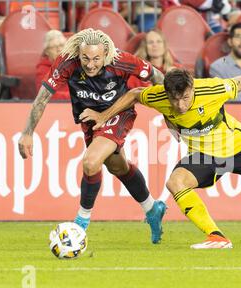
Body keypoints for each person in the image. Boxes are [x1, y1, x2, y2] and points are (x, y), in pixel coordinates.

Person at [79, 68, 241, 250]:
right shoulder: (160, 96)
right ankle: (216, 236)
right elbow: (135, 94)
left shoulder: (212, 89)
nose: (180, 105)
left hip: (239, 147)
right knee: (176, 182)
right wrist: (103, 117)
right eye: (175, 100)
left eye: (184, 98)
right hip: (207, 157)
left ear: (192, 88)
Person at [18, 28, 167, 244]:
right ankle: (152, 208)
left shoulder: (122, 60)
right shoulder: (67, 62)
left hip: (118, 113)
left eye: (96, 58)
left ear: (105, 53)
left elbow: (157, 76)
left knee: (90, 162)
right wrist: (27, 132)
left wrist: (171, 112)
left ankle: (81, 222)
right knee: (118, 166)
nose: (90, 64)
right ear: (78, 52)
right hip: (89, 120)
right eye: (85, 58)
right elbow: (42, 98)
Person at [35, 30, 70, 100]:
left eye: (61, 45)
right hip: (54, 107)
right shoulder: (42, 69)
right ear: (47, 52)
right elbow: (45, 95)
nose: (59, 49)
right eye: (54, 47)